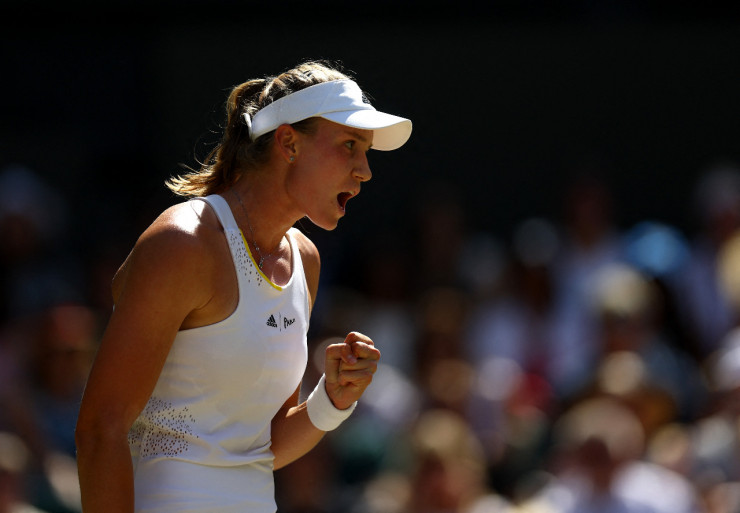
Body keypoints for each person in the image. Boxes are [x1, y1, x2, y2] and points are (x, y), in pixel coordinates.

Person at [75, 60, 412, 512]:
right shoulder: (183, 242)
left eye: (366, 151)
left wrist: (331, 400)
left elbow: (261, 447)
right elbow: (100, 429)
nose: (365, 170)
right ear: (288, 143)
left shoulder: (305, 260)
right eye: (350, 145)